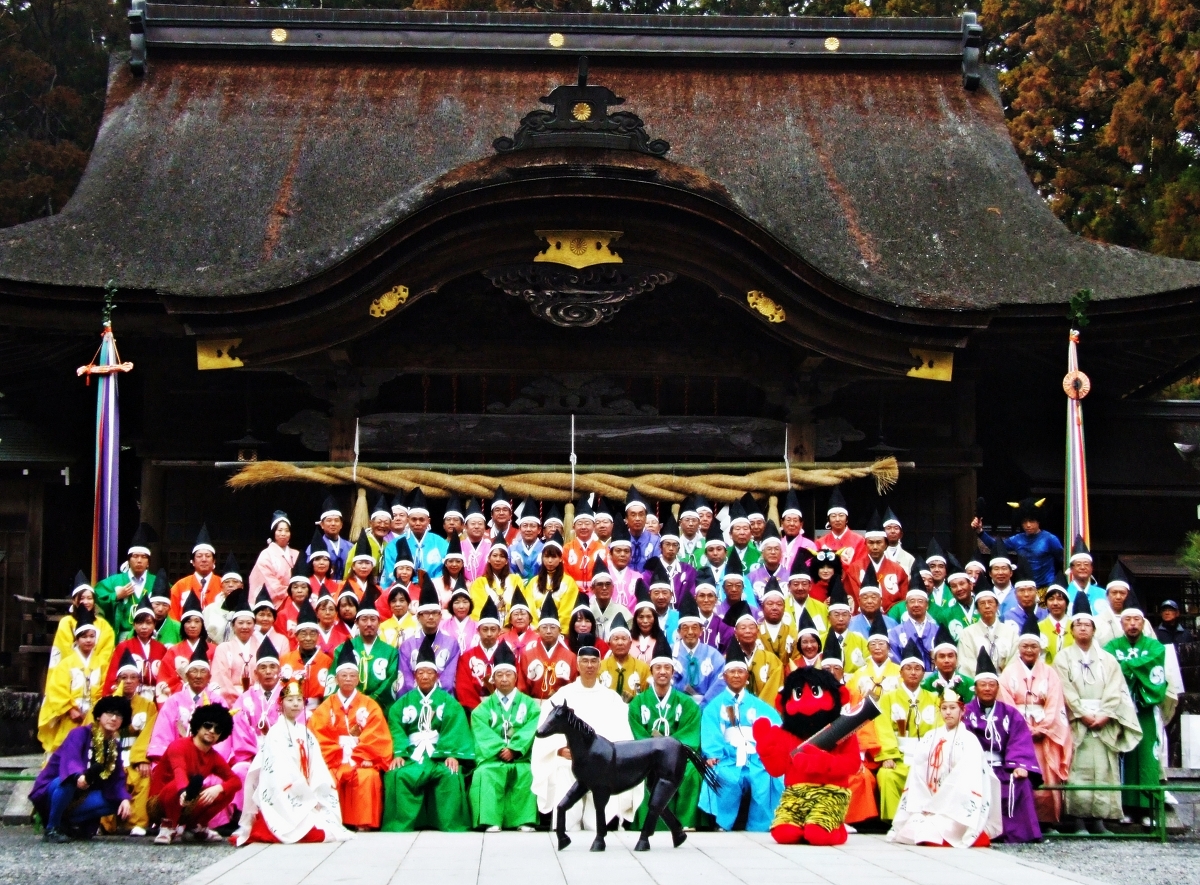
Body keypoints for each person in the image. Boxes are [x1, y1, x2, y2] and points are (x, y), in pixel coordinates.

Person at [1054, 591, 1142, 833]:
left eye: (1087, 625)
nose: (1083, 628)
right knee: (1077, 770)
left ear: (1094, 629)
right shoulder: (1063, 658)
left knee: (1103, 769)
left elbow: (1116, 689)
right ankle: (1079, 820)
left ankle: (1100, 820)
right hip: (1077, 722)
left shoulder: (1108, 659)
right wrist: (1081, 713)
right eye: (1078, 624)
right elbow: (1065, 689)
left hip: (1103, 720)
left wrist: (1105, 713)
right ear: (1072, 630)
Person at [531, 645, 643, 832]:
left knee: (603, 774)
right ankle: (566, 825)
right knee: (563, 768)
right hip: (570, 760)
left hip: (601, 762)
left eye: (593, 661)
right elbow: (547, 727)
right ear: (577, 664)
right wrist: (559, 749)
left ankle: (599, 825)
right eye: (585, 661)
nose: (589, 665)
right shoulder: (563, 695)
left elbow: (622, 734)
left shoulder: (611, 698)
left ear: (600, 664)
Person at [235, 679, 353, 845]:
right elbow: (278, 770)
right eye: (290, 700)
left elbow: (317, 765)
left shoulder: (306, 733)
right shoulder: (275, 733)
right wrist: (303, 791)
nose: (295, 704)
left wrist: (315, 790)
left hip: (305, 791)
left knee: (327, 827)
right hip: (284, 794)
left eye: (299, 700)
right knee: (313, 833)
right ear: (281, 703)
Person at [886, 689, 1002, 847]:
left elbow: (964, 779)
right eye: (944, 708)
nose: (948, 712)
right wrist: (925, 804)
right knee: (910, 831)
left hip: (954, 807)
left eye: (953, 708)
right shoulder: (929, 737)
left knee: (934, 834)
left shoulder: (969, 740)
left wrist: (937, 806)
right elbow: (917, 774)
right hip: (927, 803)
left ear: (962, 710)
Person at [382, 634, 474, 831]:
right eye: (420, 672)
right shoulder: (402, 704)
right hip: (412, 754)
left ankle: (450, 823)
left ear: (437, 676)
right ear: (414, 676)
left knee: (451, 774)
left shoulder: (450, 703)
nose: (424, 676)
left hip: (438, 755)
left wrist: (451, 754)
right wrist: (399, 753)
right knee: (396, 774)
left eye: (429, 673)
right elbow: (395, 728)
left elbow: (454, 728)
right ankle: (400, 824)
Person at [698, 644, 783, 831]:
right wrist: (713, 754)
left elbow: (775, 728)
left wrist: (769, 753)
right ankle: (721, 822)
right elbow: (711, 732)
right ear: (724, 676)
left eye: (740, 672)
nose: (736, 675)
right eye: (732, 672)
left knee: (768, 776)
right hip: (727, 757)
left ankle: (763, 824)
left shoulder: (760, 706)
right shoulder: (714, 706)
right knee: (721, 774)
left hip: (755, 757)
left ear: (746, 677)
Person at [310, 643, 394, 831]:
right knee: (328, 776)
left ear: (358, 679)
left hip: (361, 758)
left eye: (352, 676)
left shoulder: (370, 705)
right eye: (344, 676)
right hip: (334, 758)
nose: (348, 679)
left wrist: (362, 757)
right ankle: (330, 821)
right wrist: (339, 756)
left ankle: (362, 823)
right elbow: (318, 736)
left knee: (367, 776)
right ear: (336, 679)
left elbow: (377, 735)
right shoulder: (326, 706)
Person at [963, 649, 1042, 842]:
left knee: (1021, 783)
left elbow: (1019, 741)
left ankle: (1018, 833)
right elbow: (961, 743)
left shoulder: (1011, 714)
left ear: (998, 688)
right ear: (975, 688)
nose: (988, 688)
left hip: (1003, 767)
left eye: (992, 684)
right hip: (975, 767)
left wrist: (1020, 765)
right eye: (983, 684)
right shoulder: (966, 712)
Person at [1103, 587, 1168, 826]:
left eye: (1136, 620)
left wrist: (1127, 666)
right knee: (1125, 755)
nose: (1132, 624)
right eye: (1127, 619)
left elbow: (1153, 664)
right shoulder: (1111, 646)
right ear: (1121, 623)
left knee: (1147, 756)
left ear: (1143, 622)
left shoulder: (1155, 646)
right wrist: (1133, 666)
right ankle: (1126, 807)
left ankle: (1149, 808)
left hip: (1145, 709)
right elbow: (1110, 665)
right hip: (1121, 710)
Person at [1001, 617, 1073, 830]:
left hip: (1043, 731)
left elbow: (1055, 702)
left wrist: (1043, 728)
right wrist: (1022, 728)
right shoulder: (1009, 672)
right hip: (1018, 733)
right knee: (1020, 771)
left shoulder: (1049, 673)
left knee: (1045, 772)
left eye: (1034, 646)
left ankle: (1046, 819)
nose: (1029, 650)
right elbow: (1006, 702)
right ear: (1019, 648)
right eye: (1025, 646)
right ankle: (1021, 819)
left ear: (1040, 648)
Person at [33, 695, 133, 842]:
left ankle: (69, 824)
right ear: (99, 716)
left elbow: (117, 777)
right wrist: (78, 776)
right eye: (109, 713)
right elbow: (71, 759)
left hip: (84, 795)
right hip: (56, 788)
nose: (113, 718)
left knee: (116, 801)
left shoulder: (114, 745)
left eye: (118, 715)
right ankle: (52, 828)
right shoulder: (80, 733)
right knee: (67, 781)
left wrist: (124, 798)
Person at [628, 637, 703, 831]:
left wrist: (668, 749)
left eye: (667, 668)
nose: (662, 672)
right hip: (645, 758)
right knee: (643, 774)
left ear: (673, 672)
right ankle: (647, 824)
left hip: (677, 758)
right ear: (651, 672)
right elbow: (635, 732)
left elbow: (690, 734)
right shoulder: (638, 703)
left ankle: (685, 822)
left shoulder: (686, 703)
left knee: (691, 771)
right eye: (658, 668)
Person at [469, 641, 540, 831]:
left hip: (521, 757)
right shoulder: (482, 708)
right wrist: (501, 749)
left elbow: (533, 727)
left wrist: (515, 749)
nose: (504, 679)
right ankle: (491, 820)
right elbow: (481, 731)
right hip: (494, 758)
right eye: (499, 674)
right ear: (493, 678)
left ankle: (523, 820)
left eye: (508, 674)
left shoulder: (530, 705)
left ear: (516, 677)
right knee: (485, 773)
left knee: (528, 772)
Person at [147, 703, 239, 844]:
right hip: (159, 803)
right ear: (198, 726)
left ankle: (196, 826)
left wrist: (219, 788)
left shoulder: (213, 756)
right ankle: (167, 826)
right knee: (175, 786)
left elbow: (235, 781)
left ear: (222, 734)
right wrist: (183, 790)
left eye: (218, 729)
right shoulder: (179, 746)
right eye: (208, 725)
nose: (212, 731)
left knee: (228, 791)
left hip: (188, 800)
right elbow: (179, 771)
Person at [874, 641, 943, 821]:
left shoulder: (933, 698)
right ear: (901, 672)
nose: (913, 672)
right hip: (900, 756)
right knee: (887, 775)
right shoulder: (888, 698)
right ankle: (895, 821)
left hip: (926, 756)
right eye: (909, 668)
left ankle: (927, 819)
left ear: (923, 673)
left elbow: (940, 729)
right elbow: (883, 728)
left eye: (918, 669)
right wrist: (888, 755)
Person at [104, 651, 158, 836]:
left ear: (139, 681)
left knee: (143, 777)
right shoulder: (105, 704)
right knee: (106, 775)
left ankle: (137, 822)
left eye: (133, 677)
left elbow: (150, 734)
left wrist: (142, 758)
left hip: (134, 754)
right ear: (117, 680)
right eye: (123, 677)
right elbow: (96, 732)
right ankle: (104, 822)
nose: (128, 681)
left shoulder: (148, 705)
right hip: (111, 753)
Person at [39, 608, 107, 754]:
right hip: (72, 716)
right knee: (66, 750)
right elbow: (56, 689)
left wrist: (98, 709)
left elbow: (105, 687)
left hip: (95, 715)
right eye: (84, 637)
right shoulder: (66, 664)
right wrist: (70, 709)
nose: (88, 640)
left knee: (93, 751)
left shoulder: (102, 663)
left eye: (92, 636)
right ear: (76, 639)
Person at [228, 637, 283, 814]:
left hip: (282, 755)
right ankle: (243, 815)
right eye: (263, 667)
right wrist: (253, 754)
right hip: (252, 754)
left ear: (279, 671)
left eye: (272, 667)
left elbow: (296, 727)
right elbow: (238, 728)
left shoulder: (289, 696)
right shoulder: (244, 699)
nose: (268, 672)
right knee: (240, 769)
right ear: (255, 672)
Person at [972, 497, 1063, 590]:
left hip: (1046, 588)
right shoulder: (1017, 539)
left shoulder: (1050, 539)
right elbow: (996, 546)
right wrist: (980, 531)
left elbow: (1062, 560)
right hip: (1024, 587)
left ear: (1038, 520)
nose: (1028, 525)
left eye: (1031, 521)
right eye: (1024, 522)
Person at [93, 523, 160, 641]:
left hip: (151, 635)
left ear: (148, 562)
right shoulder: (115, 581)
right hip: (123, 635)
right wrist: (116, 596)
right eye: (135, 556)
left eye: (143, 557)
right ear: (128, 560)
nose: (139, 560)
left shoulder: (157, 582)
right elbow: (96, 596)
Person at [397, 578, 460, 695]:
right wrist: (420, 697)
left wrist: (434, 697)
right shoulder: (407, 645)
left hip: (443, 700)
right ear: (419, 617)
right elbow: (405, 678)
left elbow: (450, 678)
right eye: (426, 613)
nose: (431, 617)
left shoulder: (451, 644)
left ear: (440, 616)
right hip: (414, 700)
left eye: (434, 613)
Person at [51, 574, 116, 674]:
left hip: (97, 673)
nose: (86, 602)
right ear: (74, 600)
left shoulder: (103, 625)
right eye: (81, 598)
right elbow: (64, 651)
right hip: (71, 672)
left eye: (89, 598)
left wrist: (93, 666)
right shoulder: (66, 623)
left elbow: (106, 653)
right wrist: (80, 667)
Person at [518, 594, 578, 702]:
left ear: (560, 631)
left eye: (553, 627)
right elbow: (522, 689)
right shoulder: (526, 656)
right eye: (544, 627)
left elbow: (574, 689)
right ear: (538, 630)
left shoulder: (571, 657)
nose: (549, 631)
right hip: (532, 707)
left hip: (561, 709)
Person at [844, 511, 908, 610]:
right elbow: (850, 597)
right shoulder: (854, 568)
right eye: (871, 543)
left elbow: (903, 602)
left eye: (879, 542)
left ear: (886, 544)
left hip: (890, 620)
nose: (875, 547)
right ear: (865, 544)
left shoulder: (898, 570)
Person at [102, 602, 167, 697]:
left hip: (156, 696)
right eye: (140, 623)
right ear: (134, 625)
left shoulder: (161, 648)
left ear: (154, 624)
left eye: (148, 623)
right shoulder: (123, 647)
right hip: (128, 696)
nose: (144, 627)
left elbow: (166, 677)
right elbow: (112, 676)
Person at [455, 597, 506, 715]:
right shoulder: (467, 657)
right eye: (485, 629)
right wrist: (480, 711)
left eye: (493, 629)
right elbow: (463, 688)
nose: (489, 634)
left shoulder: (506, 655)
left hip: (503, 709)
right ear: (478, 630)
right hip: (475, 712)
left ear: (499, 631)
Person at [279, 601, 332, 710]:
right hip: (290, 711)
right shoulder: (285, 660)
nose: (308, 638)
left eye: (312, 633)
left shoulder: (327, 661)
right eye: (303, 633)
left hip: (319, 712)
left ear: (318, 636)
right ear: (296, 636)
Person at [672, 592, 724, 701]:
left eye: (694, 628)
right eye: (685, 628)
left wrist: (704, 705)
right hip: (676, 707)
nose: (690, 632)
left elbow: (720, 684)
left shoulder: (714, 655)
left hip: (706, 707)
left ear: (701, 631)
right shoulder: (670, 653)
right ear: (679, 632)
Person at [957, 583, 1018, 675]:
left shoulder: (1010, 632)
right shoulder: (967, 633)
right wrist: (983, 681)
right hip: (978, 683)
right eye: (982, 603)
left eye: (990, 602)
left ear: (997, 606)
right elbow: (966, 663)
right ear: (977, 609)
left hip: (1005, 684)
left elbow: (1014, 661)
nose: (987, 606)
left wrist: (1003, 681)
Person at [526, 534, 580, 632]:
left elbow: (566, 612)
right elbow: (530, 608)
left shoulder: (568, 582)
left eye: (553, 557)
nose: (549, 561)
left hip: (559, 632)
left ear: (560, 559)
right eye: (546, 557)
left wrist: (557, 631)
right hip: (535, 632)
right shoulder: (534, 582)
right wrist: (537, 629)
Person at [168, 524, 222, 620]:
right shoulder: (180, 586)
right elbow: (172, 616)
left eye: (208, 556)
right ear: (192, 562)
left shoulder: (222, 584)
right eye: (199, 556)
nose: (204, 559)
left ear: (214, 561)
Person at [247, 511, 299, 608]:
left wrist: (298, 594)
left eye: (287, 530)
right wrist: (290, 594)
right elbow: (269, 582)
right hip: (277, 605)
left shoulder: (297, 554)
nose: (283, 534)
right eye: (279, 530)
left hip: (297, 601)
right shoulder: (266, 554)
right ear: (273, 532)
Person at [599, 613, 650, 702]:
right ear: (609, 644)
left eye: (624, 639)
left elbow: (647, 699)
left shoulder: (643, 668)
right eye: (616, 639)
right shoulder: (599, 667)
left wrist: (634, 702)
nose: (620, 643)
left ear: (630, 643)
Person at [469, 543, 521, 625]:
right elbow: (478, 609)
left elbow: (520, 605)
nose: (498, 559)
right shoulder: (480, 582)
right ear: (489, 559)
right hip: (488, 627)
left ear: (507, 561)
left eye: (502, 556)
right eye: (495, 555)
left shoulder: (516, 580)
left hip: (512, 627)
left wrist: (508, 626)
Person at [921, 624, 976, 703]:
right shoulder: (926, 686)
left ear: (957, 659)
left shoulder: (969, 684)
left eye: (950, 656)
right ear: (935, 661)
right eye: (942, 656)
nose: (946, 660)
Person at [851, 617, 902, 701]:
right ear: (868, 648)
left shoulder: (900, 672)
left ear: (889, 647)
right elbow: (853, 699)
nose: (877, 647)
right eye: (873, 644)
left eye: (881, 644)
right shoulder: (859, 674)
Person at [888, 583, 937, 669]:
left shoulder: (937, 630)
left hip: (933, 680)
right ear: (906, 606)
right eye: (912, 601)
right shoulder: (895, 632)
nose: (916, 604)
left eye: (920, 601)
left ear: (927, 605)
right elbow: (894, 660)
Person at [307, 495, 352, 578]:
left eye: (336, 520)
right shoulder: (313, 548)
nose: (333, 524)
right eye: (329, 520)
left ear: (341, 524)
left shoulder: (350, 547)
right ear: (322, 525)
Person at [624, 486, 661, 572]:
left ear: (645, 517)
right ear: (626, 519)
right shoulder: (619, 541)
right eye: (633, 515)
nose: (637, 518)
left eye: (641, 514)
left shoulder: (656, 541)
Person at [694, 576, 735, 652]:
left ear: (716, 600)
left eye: (710, 596)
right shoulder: (690, 625)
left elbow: (728, 653)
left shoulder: (725, 626)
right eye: (702, 596)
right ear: (695, 599)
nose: (706, 600)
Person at [508, 496, 545, 581]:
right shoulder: (511, 550)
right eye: (525, 526)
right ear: (520, 529)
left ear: (539, 530)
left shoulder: (545, 549)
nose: (528, 529)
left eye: (532, 526)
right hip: (516, 590)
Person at [1040, 585, 1074, 665]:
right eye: (1051, 599)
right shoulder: (1039, 627)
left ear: (1067, 603)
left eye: (1060, 599)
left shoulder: (1074, 626)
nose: (1055, 603)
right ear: (1046, 603)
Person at [460, 499, 492, 582]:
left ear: (485, 527)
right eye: (473, 523)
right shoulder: (459, 546)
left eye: (480, 524)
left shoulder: (491, 547)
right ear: (465, 527)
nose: (477, 526)